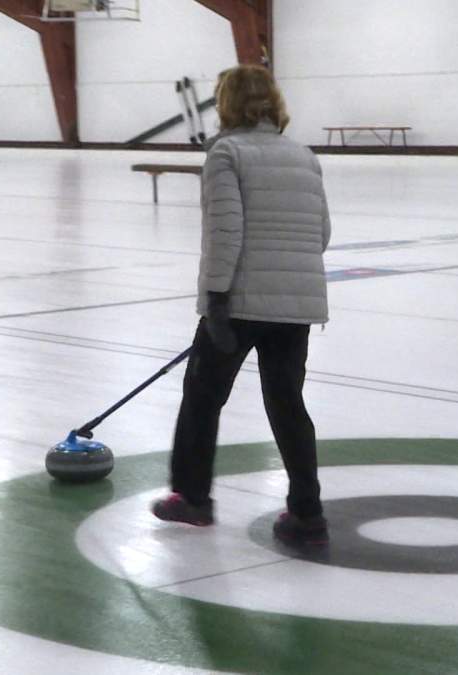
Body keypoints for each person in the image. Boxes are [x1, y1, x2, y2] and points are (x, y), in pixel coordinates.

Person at [151, 65, 332, 546]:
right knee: (288, 404)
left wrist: (214, 299)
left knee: (202, 396)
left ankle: (192, 498)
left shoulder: (225, 152)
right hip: (295, 307)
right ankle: (307, 511)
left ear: (226, 103)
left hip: (239, 301)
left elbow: (225, 234)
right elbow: (322, 235)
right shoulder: (303, 155)